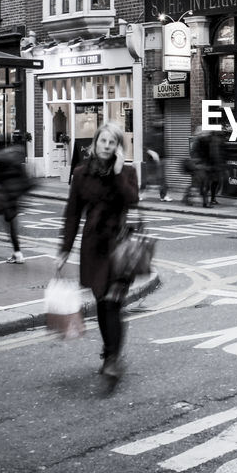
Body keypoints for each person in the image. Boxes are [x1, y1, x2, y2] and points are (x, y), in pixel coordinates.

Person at [57, 121, 139, 379]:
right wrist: (64, 250)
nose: (106, 146)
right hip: (93, 246)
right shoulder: (81, 174)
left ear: (118, 148)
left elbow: (131, 200)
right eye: (103, 141)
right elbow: (72, 214)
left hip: (120, 245)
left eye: (112, 142)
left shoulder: (127, 173)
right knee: (102, 302)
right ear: (95, 144)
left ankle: (112, 358)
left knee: (113, 302)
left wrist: (117, 173)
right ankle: (109, 349)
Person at [0, 133, 32, 263]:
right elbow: (25, 180)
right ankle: (16, 252)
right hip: (15, 196)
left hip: (5, 196)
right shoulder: (17, 160)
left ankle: (17, 253)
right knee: (9, 223)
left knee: (9, 225)